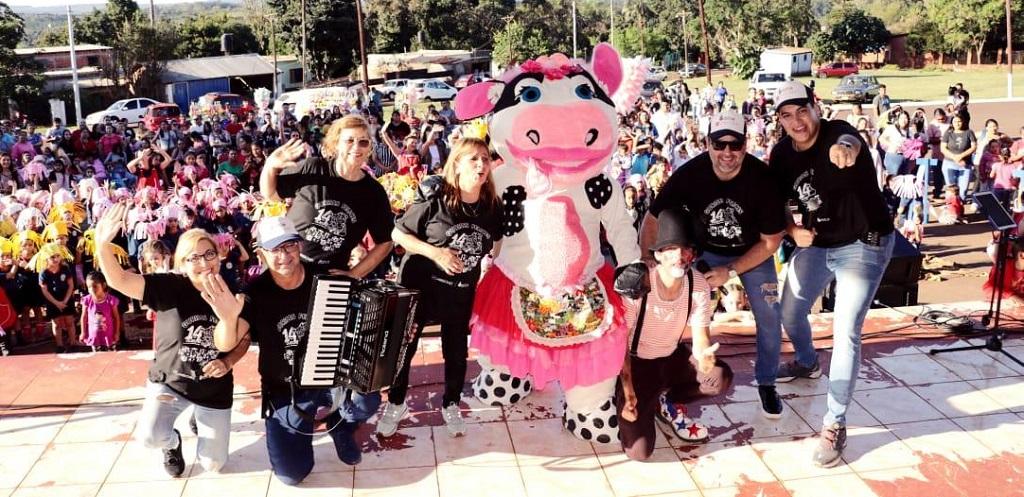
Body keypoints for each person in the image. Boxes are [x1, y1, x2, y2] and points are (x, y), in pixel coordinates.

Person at [769, 81, 895, 467]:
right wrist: (792, 231)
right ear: (779, 120)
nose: (797, 122)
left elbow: (850, 141)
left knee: (846, 332)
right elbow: (775, 206)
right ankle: (807, 362)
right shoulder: (781, 155)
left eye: (802, 111)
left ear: (815, 107)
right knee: (789, 310)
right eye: (787, 116)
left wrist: (847, 150)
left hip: (863, 243)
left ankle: (834, 423)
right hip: (819, 244)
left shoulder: (838, 132)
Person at [209, 216, 380, 484]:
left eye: (289, 246)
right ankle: (303, 435)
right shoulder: (255, 292)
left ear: (299, 246)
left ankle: (341, 426)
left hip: (329, 378)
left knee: (366, 398)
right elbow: (228, 343)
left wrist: (395, 333)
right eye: (275, 249)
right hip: (285, 388)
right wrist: (228, 318)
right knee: (292, 474)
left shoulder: (325, 279)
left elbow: (361, 322)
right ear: (261, 254)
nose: (284, 256)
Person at [642, 110, 787, 419]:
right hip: (703, 250)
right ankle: (670, 368)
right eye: (719, 145)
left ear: (745, 146)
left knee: (769, 313)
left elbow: (771, 242)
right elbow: (653, 219)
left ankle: (767, 382)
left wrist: (731, 271)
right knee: (671, 304)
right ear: (707, 144)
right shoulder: (689, 173)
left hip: (751, 253)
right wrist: (648, 262)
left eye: (735, 145)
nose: (727, 153)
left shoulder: (762, 180)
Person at [94, 204, 250, 477]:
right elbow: (118, 280)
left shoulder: (234, 292)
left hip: (213, 388)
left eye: (209, 254)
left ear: (220, 255)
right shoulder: (168, 286)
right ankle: (173, 442)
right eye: (194, 258)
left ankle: (198, 415)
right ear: (182, 263)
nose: (203, 263)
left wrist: (227, 347)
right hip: (170, 381)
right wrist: (102, 245)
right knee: (149, 437)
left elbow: (237, 341)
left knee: (213, 465)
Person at [377, 138, 502, 439]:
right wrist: (436, 253)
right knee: (404, 350)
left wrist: (487, 268)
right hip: (421, 288)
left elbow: (496, 242)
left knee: (456, 352)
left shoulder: (491, 207)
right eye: (472, 159)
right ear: (457, 164)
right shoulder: (437, 198)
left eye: (485, 159)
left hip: (459, 293)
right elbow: (398, 233)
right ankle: (396, 403)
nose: (481, 165)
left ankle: (451, 403)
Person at [616, 208, 731, 461]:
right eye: (671, 249)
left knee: (719, 377)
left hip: (671, 357)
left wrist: (705, 358)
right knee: (639, 452)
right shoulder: (640, 285)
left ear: (693, 254)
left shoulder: (697, 284)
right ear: (658, 254)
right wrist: (628, 392)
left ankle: (666, 400)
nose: (679, 256)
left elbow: (701, 339)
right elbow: (620, 345)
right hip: (637, 364)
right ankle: (638, 402)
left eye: (686, 249)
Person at [260, 115, 394, 277]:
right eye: (349, 141)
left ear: (369, 148)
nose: (356, 147)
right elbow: (272, 195)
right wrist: (270, 167)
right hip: (288, 265)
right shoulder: (314, 168)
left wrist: (353, 274)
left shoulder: (373, 192)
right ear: (336, 143)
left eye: (363, 142)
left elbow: (385, 242)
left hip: (329, 278)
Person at [38, 242, 76, 353]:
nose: (56, 259)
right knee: (57, 323)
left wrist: (65, 300)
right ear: (46, 258)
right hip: (52, 301)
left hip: (66, 298)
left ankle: (73, 341)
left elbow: (71, 285)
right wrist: (56, 303)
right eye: (52, 257)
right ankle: (59, 345)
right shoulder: (44, 273)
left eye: (57, 256)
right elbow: (44, 290)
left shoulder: (65, 268)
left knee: (70, 321)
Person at [79, 271, 121, 352]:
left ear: (104, 285)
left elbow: (116, 317)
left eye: (95, 286)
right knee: (97, 359)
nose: (92, 290)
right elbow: (84, 317)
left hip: (109, 336)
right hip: (94, 337)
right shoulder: (87, 300)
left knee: (111, 357)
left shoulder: (111, 300)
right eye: (89, 287)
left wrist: (117, 332)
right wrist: (83, 332)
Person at [941, 113, 977, 204]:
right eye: (955, 121)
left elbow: (973, 147)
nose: (957, 123)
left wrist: (961, 156)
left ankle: (960, 208)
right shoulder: (948, 133)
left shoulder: (969, 132)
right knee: (951, 188)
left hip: (965, 164)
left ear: (963, 122)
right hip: (949, 163)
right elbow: (943, 148)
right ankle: (951, 208)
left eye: (959, 121)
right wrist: (954, 157)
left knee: (963, 189)